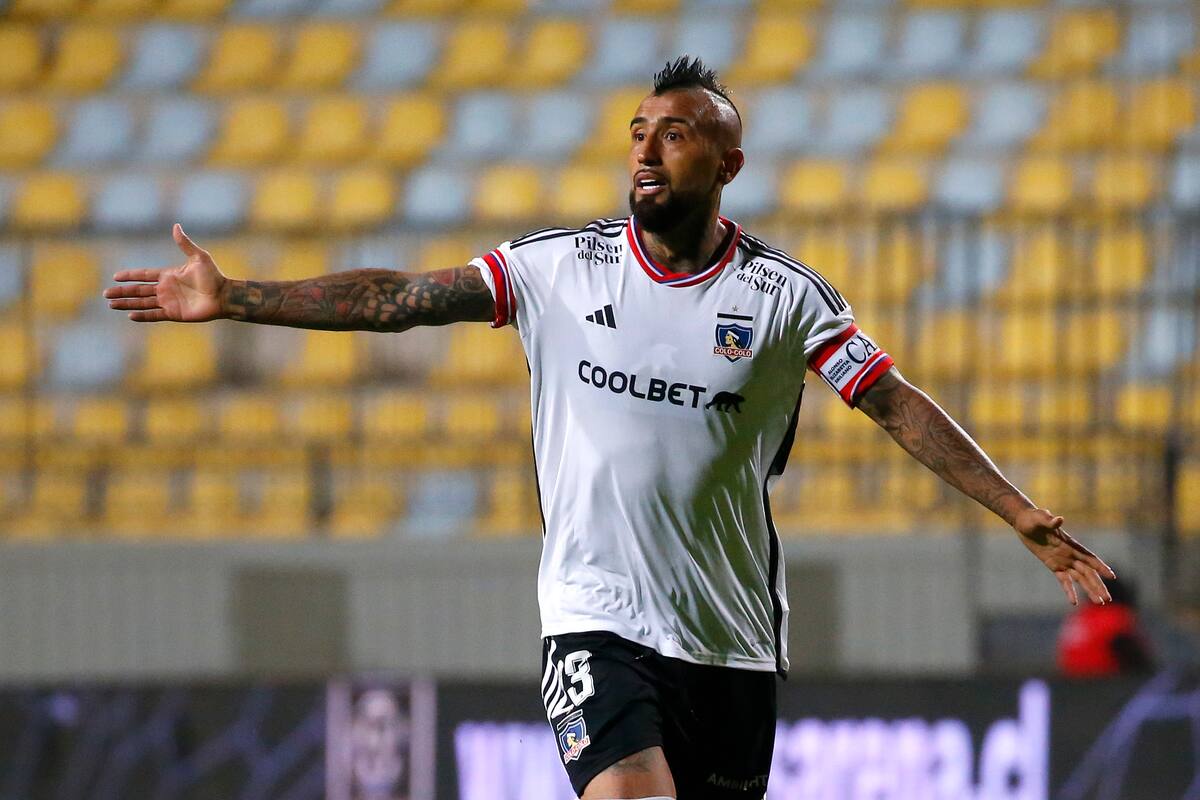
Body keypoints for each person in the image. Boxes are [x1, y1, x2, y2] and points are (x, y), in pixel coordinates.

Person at [104, 57, 1116, 800]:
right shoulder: (557, 268)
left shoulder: (783, 298)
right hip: (596, 618)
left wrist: (1017, 510)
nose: (645, 147)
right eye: (637, 130)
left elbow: (893, 401)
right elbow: (399, 298)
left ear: (727, 162)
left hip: (731, 639)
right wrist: (239, 297)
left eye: (673, 133)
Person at [1058, 571, 1154, 677]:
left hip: (1069, 680)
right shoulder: (1115, 616)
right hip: (1103, 679)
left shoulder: (1079, 616)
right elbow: (1135, 657)